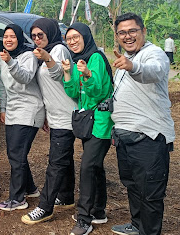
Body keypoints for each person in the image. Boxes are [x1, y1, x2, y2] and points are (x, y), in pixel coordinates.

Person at [110, 13, 174, 235]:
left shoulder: (153, 54)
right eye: (122, 33)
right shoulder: (125, 58)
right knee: (133, 187)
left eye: (132, 31)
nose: (127, 36)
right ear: (117, 36)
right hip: (125, 136)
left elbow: (154, 72)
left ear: (143, 31)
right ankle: (136, 225)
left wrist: (133, 66)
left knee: (150, 194)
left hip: (149, 138)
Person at [22, 18, 78, 225]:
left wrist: (47, 58)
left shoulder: (59, 51)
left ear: (50, 33)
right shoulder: (43, 53)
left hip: (66, 115)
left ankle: (45, 208)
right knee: (65, 158)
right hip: (55, 115)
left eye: (41, 35)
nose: (37, 39)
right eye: (34, 36)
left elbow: (57, 75)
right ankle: (66, 196)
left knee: (56, 163)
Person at [63, 23, 114, 235]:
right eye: (69, 39)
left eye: (76, 37)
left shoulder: (96, 58)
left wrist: (88, 74)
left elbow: (98, 91)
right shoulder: (77, 61)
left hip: (101, 121)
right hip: (87, 121)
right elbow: (74, 92)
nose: (72, 41)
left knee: (87, 167)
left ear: (85, 36)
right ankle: (99, 211)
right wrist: (68, 73)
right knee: (95, 167)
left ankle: (84, 219)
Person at [0, 24, 44, 212]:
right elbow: (3, 86)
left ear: (19, 38)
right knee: (16, 154)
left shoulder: (28, 56)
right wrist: (3, 108)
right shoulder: (3, 58)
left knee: (17, 155)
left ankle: (17, 199)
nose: (8, 39)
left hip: (30, 108)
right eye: (6, 36)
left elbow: (24, 77)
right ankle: (30, 189)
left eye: (12, 36)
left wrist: (10, 62)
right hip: (13, 110)